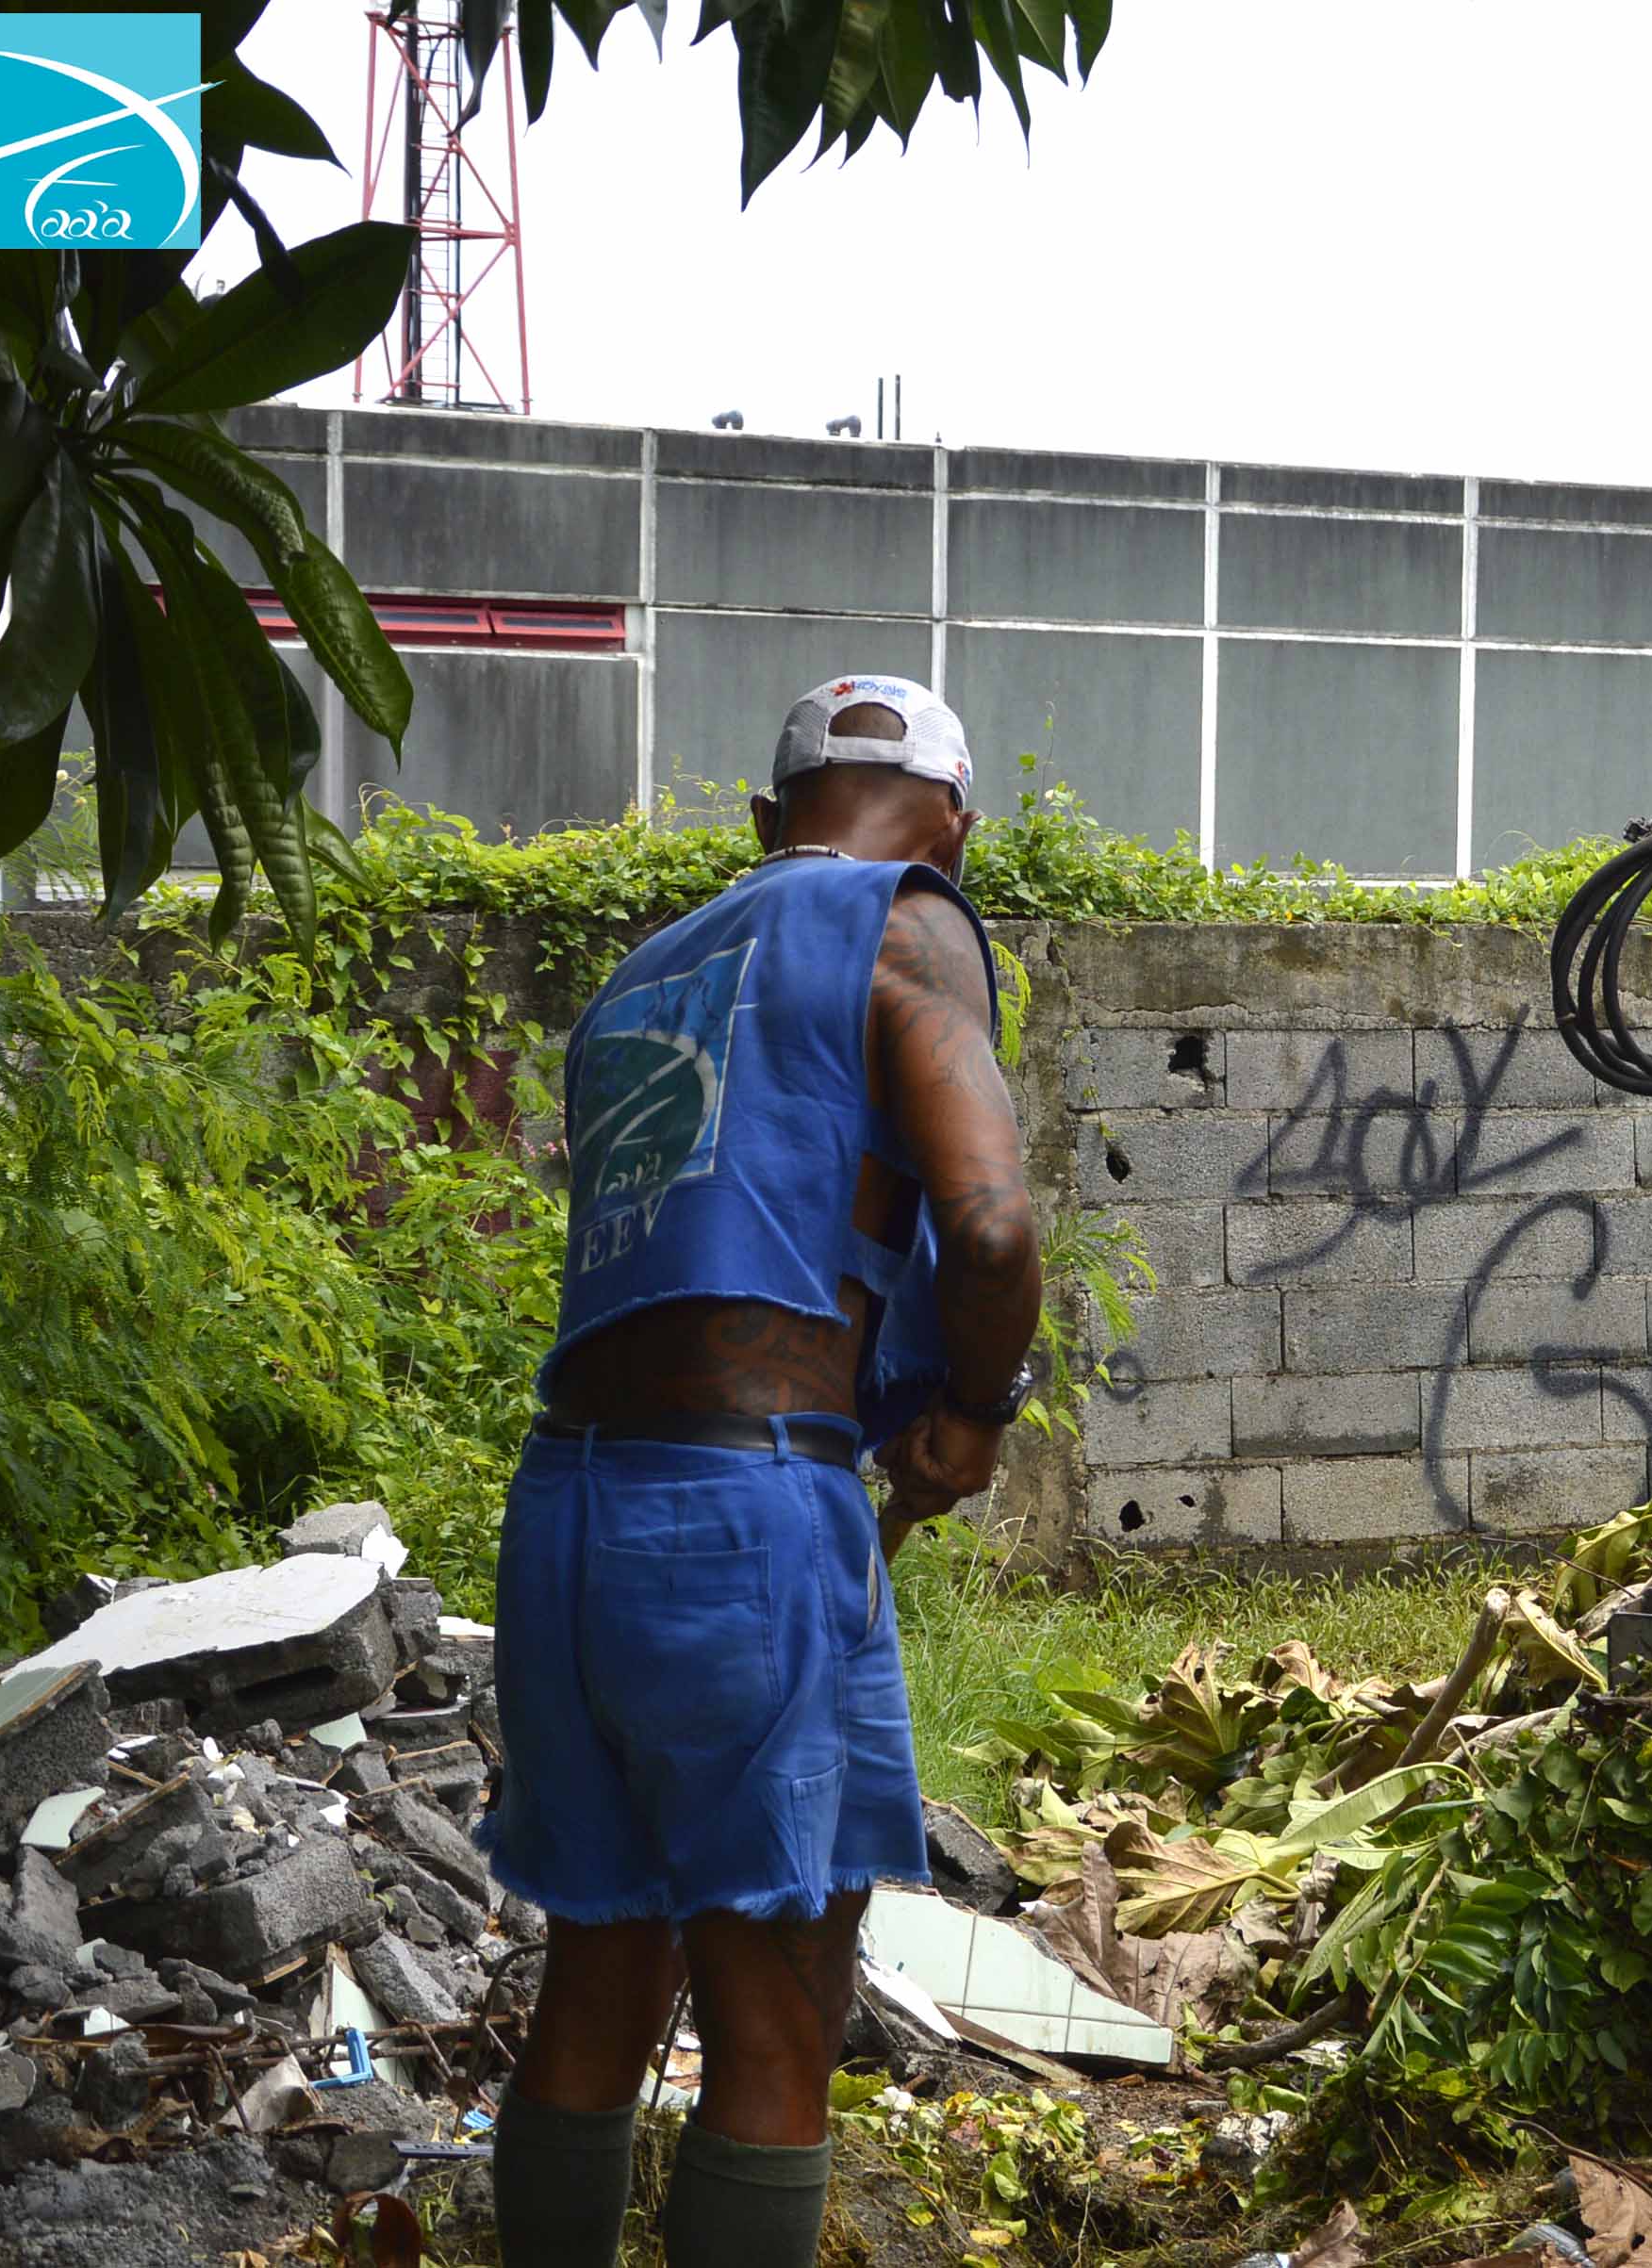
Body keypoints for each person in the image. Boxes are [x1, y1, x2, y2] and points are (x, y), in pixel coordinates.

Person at [480, 676, 1043, 2267]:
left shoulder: (642, 974)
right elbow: (992, 1227)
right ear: (955, 825)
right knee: (775, 2013)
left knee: (596, 1980)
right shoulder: (904, 925)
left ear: (762, 817)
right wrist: (976, 1414)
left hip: (568, 1510)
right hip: (741, 1517)